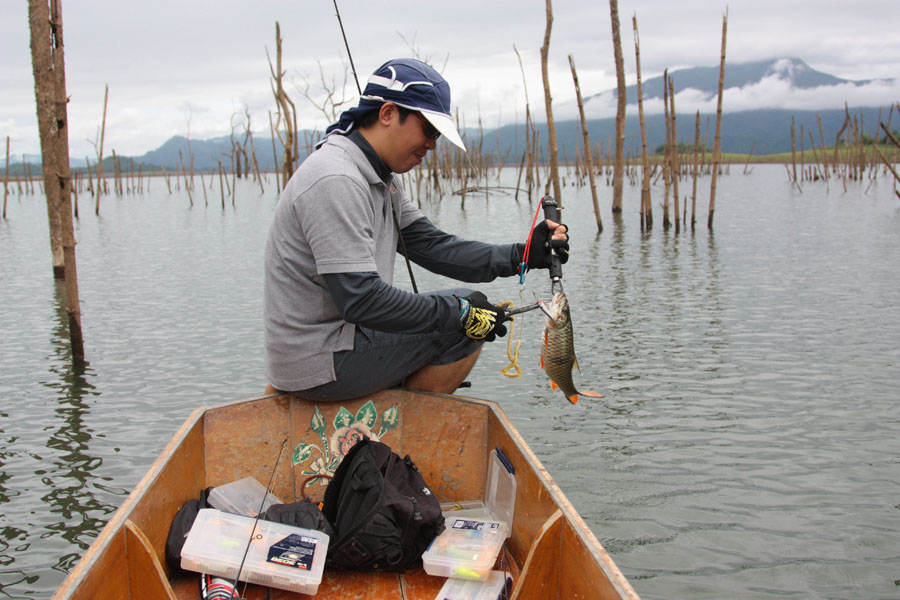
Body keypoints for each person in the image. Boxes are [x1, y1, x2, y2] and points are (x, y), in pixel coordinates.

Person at [263, 58, 568, 402]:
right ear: (388, 113)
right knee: (465, 322)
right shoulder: (338, 178)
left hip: (335, 346)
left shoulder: (377, 178)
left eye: (437, 134)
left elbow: (435, 248)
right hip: (318, 361)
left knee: (466, 308)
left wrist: (522, 255)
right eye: (429, 130)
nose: (433, 144)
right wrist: (460, 314)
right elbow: (361, 300)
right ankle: (403, 436)